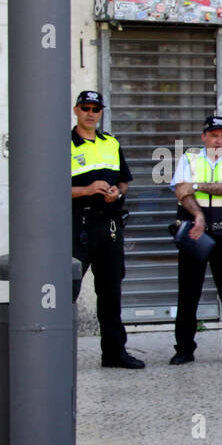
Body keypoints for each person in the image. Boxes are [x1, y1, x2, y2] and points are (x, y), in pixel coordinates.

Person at [70, 90, 144, 369]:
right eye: (86, 107)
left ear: (101, 113)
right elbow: (51, 189)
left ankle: (114, 353)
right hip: (79, 224)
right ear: (76, 110)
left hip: (109, 224)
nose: (91, 113)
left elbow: (124, 181)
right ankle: (56, 353)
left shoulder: (110, 143)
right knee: (67, 290)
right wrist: (87, 190)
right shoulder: (64, 143)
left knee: (111, 291)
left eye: (96, 109)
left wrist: (116, 192)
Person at [169, 113, 222, 365]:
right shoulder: (188, 158)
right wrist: (198, 215)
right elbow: (181, 191)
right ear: (204, 137)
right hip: (195, 232)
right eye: (214, 135)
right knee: (188, 292)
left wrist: (196, 185)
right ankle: (184, 348)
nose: (219, 141)